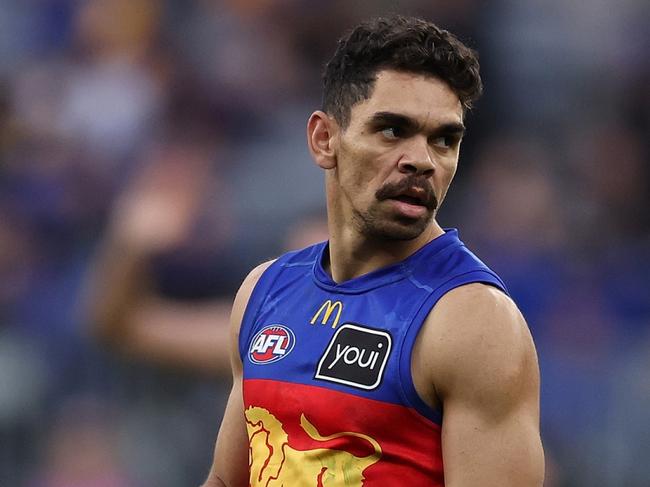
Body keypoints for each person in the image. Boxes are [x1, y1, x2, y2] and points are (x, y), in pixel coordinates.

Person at [203, 15, 544, 486]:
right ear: (325, 140)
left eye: (444, 139)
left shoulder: (471, 321)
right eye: (392, 130)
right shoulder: (265, 291)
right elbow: (226, 480)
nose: (422, 160)